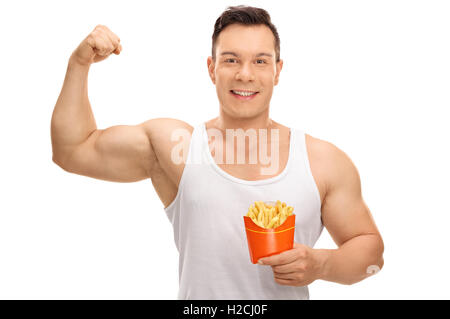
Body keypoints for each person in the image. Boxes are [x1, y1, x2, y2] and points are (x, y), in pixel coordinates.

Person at [51, 5, 384, 299]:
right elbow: (72, 150)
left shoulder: (322, 160)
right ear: (211, 68)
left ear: (277, 71)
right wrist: (79, 63)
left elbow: (371, 253)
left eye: (260, 60)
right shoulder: (175, 146)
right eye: (231, 59)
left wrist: (322, 264)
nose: (245, 73)